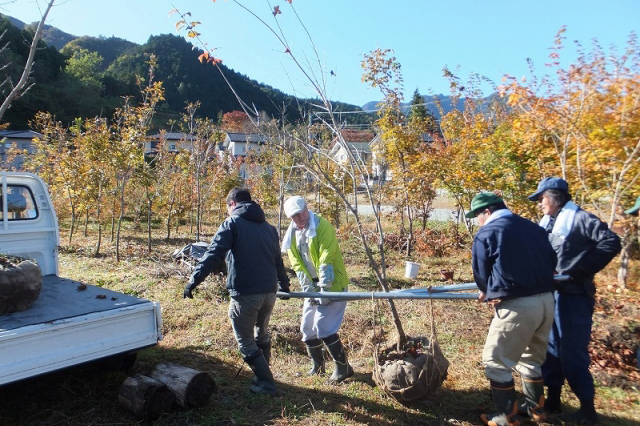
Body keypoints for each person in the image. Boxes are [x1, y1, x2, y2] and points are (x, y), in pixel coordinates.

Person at [528, 177, 621, 424]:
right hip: (552, 293)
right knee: (551, 349)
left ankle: (588, 410)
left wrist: (579, 271)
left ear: (554, 197)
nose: (539, 204)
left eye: (541, 199)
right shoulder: (551, 220)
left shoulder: (580, 218)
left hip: (575, 296)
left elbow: (611, 242)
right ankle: (554, 400)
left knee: (572, 352)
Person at [183, 188, 290, 396]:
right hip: (269, 293)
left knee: (245, 341)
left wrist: (193, 281)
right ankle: (261, 377)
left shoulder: (232, 223)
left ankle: (267, 385)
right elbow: (278, 260)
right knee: (262, 333)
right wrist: (284, 285)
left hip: (245, 293)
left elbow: (214, 254)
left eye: (227, 208)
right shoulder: (269, 228)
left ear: (232, 204)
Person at [467, 192, 557, 426]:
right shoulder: (533, 228)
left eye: (477, 215)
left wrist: (487, 290)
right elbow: (551, 261)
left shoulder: (487, 232)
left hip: (518, 306)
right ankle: (535, 409)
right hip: (547, 301)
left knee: (496, 361)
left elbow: (481, 272)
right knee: (530, 359)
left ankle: (506, 417)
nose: (477, 221)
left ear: (487, 212)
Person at [281, 196, 353, 383]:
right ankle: (318, 366)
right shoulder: (292, 234)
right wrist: (309, 289)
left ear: (307, 208)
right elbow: (296, 264)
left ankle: (343, 368)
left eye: (301, 213)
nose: (299, 218)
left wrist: (324, 290)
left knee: (324, 326)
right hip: (312, 286)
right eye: (294, 216)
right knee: (307, 327)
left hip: (332, 284)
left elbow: (326, 258)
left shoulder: (322, 227)